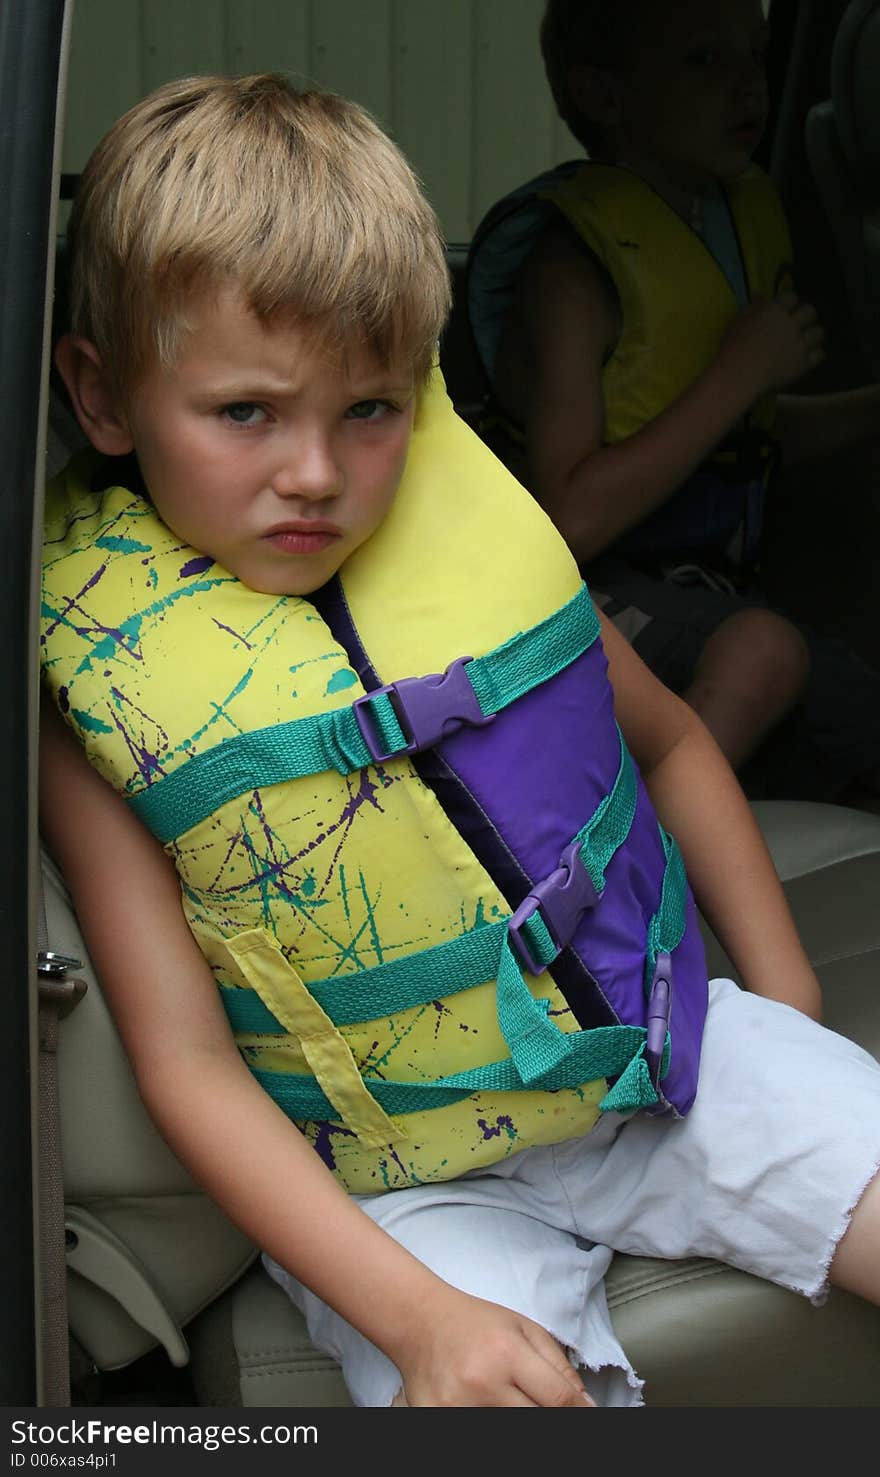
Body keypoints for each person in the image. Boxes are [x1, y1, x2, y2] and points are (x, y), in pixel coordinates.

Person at [40, 72, 880, 1409]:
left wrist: (784, 1001)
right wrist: (419, 1319)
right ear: (103, 399)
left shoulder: (475, 562)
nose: (316, 472)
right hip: (402, 1189)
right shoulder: (95, 696)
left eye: (369, 410)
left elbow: (671, 747)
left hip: (659, 1062)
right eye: (246, 413)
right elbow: (185, 1064)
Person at [468, 0, 880, 800]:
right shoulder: (573, 270)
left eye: (756, 56)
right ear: (605, 95)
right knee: (763, 649)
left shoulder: (728, 225)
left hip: (702, 601)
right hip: (581, 596)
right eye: (702, 61)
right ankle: (630, 863)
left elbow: (737, 445)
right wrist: (740, 372)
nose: (748, 86)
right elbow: (568, 517)